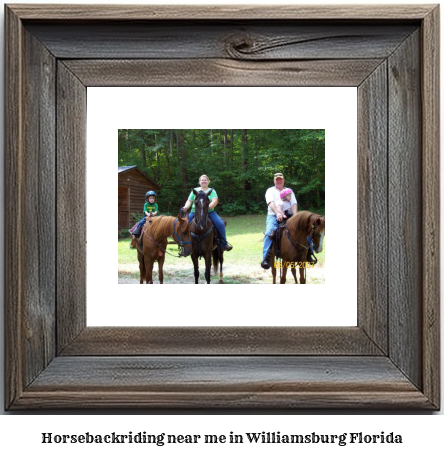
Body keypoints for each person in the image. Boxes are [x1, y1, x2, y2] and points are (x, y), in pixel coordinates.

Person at [182, 174, 232, 251]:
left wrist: (208, 208)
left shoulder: (212, 191)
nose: (204, 181)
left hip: (209, 212)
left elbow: (215, 201)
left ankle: (224, 244)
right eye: (202, 180)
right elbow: (189, 200)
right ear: (199, 182)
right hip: (194, 212)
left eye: (205, 180)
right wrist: (185, 207)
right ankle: (184, 246)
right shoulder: (195, 191)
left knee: (220, 224)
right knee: (184, 226)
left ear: (208, 181)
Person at [261, 173, 297, 269]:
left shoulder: (289, 191)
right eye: (277, 180)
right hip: (274, 215)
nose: (279, 181)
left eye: (280, 179)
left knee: (303, 228)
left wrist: (295, 216)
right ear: (274, 181)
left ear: (283, 180)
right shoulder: (270, 190)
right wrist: (278, 213)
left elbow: (293, 203)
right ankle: (266, 258)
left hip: (289, 215)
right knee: (269, 232)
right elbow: (270, 203)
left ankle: (308, 253)